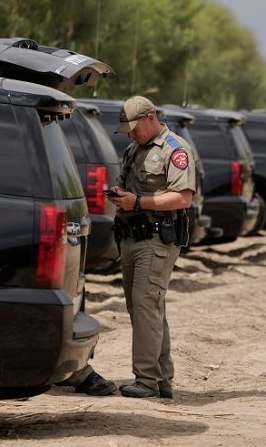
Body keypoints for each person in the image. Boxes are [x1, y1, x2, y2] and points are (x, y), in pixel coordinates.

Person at [107, 96, 196, 398]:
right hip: (131, 237)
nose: (130, 134)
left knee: (146, 305)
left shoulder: (175, 148)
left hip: (157, 239)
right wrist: (120, 196)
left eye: (134, 128)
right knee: (145, 308)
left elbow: (183, 198)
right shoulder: (133, 150)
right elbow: (128, 188)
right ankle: (162, 379)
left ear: (150, 117)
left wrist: (139, 202)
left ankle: (146, 381)